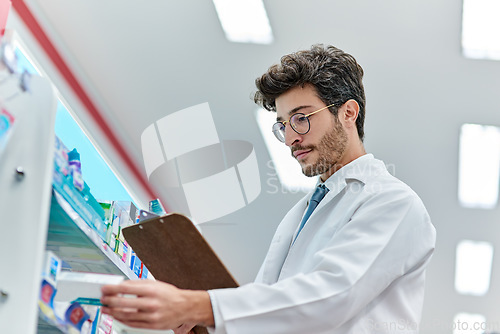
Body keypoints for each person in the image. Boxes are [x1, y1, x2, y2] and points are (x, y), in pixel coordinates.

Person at [101, 44, 436, 334]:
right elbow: (275, 316)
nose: (290, 138)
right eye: (282, 125)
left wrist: (200, 305)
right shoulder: (302, 213)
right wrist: (201, 323)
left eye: (301, 118)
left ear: (348, 113)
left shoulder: (392, 202)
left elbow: (332, 296)